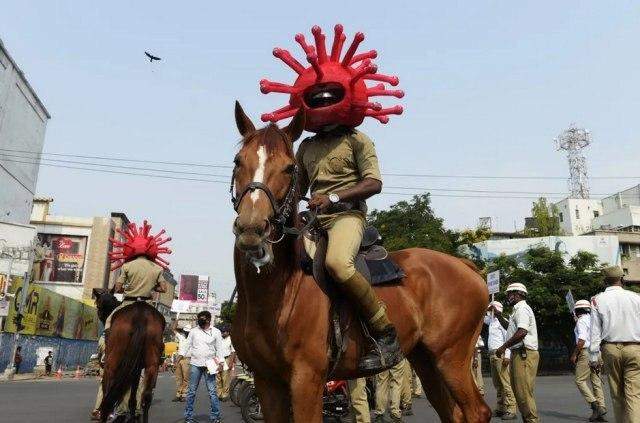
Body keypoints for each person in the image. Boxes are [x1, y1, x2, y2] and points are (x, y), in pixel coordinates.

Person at [296, 128, 401, 372]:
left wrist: (332, 198)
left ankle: (385, 332)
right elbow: (298, 188)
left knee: (338, 263)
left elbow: (374, 183)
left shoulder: (358, 139)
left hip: (347, 215)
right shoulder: (305, 147)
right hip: (315, 218)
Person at [589, 265, 640, 423]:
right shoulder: (636, 297)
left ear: (605, 281)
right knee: (634, 394)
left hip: (610, 349)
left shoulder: (597, 300)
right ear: (622, 279)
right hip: (634, 347)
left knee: (617, 394)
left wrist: (593, 357)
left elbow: (595, 331)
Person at [495, 283, 539, 423]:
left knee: (523, 392)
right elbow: (511, 330)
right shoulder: (516, 310)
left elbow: (522, 332)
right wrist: (499, 316)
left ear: (518, 294)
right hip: (518, 353)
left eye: (509, 294)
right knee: (519, 391)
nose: (508, 297)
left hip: (524, 354)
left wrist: (503, 347)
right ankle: (528, 419)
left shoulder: (522, 309)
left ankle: (532, 420)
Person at [184, 311, 225, 423]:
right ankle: (188, 417)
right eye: (199, 318)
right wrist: (180, 356)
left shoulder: (216, 332)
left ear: (208, 319)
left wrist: (221, 363)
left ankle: (215, 417)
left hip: (210, 365)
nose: (200, 320)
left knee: (212, 391)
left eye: (202, 318)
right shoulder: (193, 331)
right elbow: (187, 345)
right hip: (195, 364)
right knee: (191, 391)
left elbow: (219, 349)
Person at [571, 300, 607, 422]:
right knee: (596, 381)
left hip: (586, 352)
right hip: (597, 352)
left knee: (579, 380)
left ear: (577, 311)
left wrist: (574, 354)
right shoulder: (594, 320)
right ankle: (601, 410)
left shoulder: (581, 321)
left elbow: (581, 340)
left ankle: (595, 405)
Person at [485, 301, 517, 420]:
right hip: (492, 354)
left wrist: (508, 356)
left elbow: (508, 339)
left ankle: (511, 409)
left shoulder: (503, 321)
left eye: (491, 310)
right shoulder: (492, 322)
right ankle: (500, 407)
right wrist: (487, 307)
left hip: (501, 354)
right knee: (497, 384)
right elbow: (481, 317)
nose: (489, 312)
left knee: (505, 383)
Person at [172, 324, 191, 402]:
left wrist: (176, 362)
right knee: (178, 378)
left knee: (186, 378)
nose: (186, 333)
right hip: (179, 359)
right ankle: (178, 394)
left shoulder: (192, 339)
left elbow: (183, 353)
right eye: (185, 331)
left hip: (186, 359)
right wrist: (177, 317)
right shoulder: (181, 337)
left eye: (187, 332)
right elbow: (173, 329)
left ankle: (184, 394)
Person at [216, 325, 235, 401]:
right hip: (217, 359)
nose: (222, 333)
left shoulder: (231, 339)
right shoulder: (218, 339)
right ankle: (219, 394)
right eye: (221, 332)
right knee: (218, 378)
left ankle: (225, 394)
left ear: (228, 332)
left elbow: (233, 351)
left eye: (224, 332)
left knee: (225, 378)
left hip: (226, 359)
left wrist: (231, 362)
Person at [91, 335, 106, 421]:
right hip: (110, 367)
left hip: (104, 366)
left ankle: (97, 410)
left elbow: (100, 356)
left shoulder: (102, 339)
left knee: (103, 387)